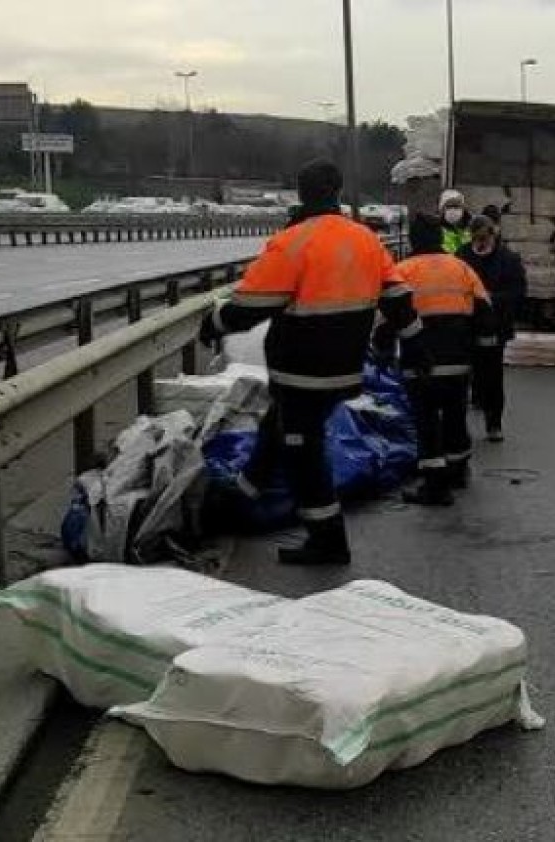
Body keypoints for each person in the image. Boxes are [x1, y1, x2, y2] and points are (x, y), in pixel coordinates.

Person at [199, 159, 424, 566]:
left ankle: (328, 538)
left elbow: (250, 306)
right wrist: (417, 348)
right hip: (345, 367)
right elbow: (399, 301)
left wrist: (212, 323)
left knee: (303, 450)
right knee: (277, 424)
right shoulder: (366, 240)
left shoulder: (293, 241)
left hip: (300, 368)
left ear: (301, 194)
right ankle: (244, 493)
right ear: (337, 192)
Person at [379, 213, 495, 505]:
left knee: (426, 422)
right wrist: (483, 354)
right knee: (456, 416)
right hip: (458, 361)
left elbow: (385, 318)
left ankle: (434, 486)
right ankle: (457, 471)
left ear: (413, 239)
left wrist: (382, 351)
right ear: (441, 237)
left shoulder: (401, 271)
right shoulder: (462, 268)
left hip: (420, 363)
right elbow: (484, 311)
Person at [458, 214, 527, 441]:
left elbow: (518, 292)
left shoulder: (508, 259)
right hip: (466, 325)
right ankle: (458, 426)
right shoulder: (462, 256)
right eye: (476, 238)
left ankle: (494, 423)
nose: (480, 243)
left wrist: (491, 299)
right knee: (461, 376)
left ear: (493, 235)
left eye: (484, 238)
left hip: (495, 326)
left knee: (493, 377)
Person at [439, 189, 472, 253]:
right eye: (449, 206)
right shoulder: (437, 231)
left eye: (456, 206)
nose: (453, 210)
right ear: (442, 210)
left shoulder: (472, 228)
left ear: (463, 208)